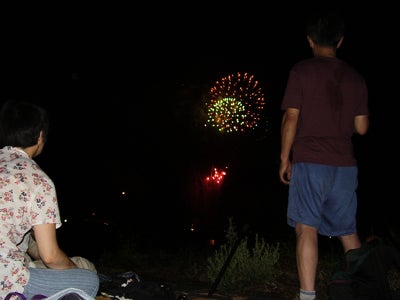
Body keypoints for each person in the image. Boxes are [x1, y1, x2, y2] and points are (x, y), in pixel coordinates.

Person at [278, 12, 369, 300]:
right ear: (340, 41)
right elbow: (362, 127)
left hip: (310, 160)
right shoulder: (355, 76)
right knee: (348, 231)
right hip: (344, 165)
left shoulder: (301, 71)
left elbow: (291, 117)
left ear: (309, 40)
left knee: (307, 227)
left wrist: (284, 158)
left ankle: (307, 296)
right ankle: (364, 290)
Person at [0, 100, 99, 300]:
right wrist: (73, 270)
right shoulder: (37, 180)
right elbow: (50, 256)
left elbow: (25, 242)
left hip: (11, 264)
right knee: (90, 279)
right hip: (6, 281)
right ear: (40, 136)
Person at [18, 230, 97, 272]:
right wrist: (74, 269)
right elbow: (50, 258)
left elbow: (33, 248)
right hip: (19, 272)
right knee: (87, 267)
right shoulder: (40, 201)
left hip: (15, 265)